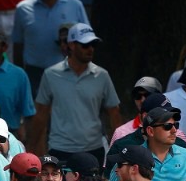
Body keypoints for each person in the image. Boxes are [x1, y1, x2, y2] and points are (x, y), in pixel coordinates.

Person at [32, 22, 121, 164]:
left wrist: (117, 147)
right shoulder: (51, 75)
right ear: (72, 45)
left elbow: (114, 112)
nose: (90, 49)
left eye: (93, 45)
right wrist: (33, 150)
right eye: (85, 45)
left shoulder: (102, 75)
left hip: (93, 150)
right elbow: (41, 115)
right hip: (60, 150)